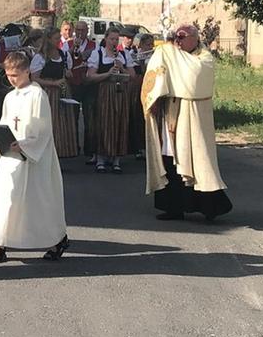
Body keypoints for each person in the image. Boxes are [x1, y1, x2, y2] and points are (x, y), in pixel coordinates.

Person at [0, 51, 69, 263]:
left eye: (16, 75)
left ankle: (58, 239)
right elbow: (5, 125)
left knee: (39, 202)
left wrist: (25, 145)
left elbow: (43, 130)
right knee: (4, 199)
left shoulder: (37, 95)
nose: (11, 79)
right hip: (10, 156)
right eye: (8, 75)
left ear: (27, 71)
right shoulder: (10, 96)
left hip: (33, 158)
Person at [142, 23, 232, 221]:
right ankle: (173, 207)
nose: (178, 42)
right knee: (171, 159)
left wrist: (171, 53)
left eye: (182, 37)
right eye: (176, 38)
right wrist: (156, 98)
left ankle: (211, 208)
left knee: (198, 161)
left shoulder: (204, 58)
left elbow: (192, 79)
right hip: (171, 113)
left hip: (192, 116)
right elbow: (161, 74)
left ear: (194, 38)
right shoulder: (174, 56)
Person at [86, 28, 133, 174]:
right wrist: (107, 73)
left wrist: (122, 68)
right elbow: (90, 76)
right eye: (112, 39)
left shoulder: (123, 54)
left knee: (120, 123)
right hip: (104, 92)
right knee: (104, 123)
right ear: (106, 39)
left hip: (120, 93)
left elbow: (132, 76)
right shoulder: (97, 53)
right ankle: (101, 159)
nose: (114, 42)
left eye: (116, 39)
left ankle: (116, 159)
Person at [32, 26, 79, 158]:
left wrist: (68, 74)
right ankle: (46, 155)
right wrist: (53, 83)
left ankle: (60, 153)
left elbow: (67, 72)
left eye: (59, 38)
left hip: (63, 92)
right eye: (56, 38)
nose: (59, 41)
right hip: (47, 93)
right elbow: (34, 78)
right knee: (49, 124)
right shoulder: (40, 57)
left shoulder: (63, 54)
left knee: (62, 124)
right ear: (48, 39)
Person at [67, 20, 98, 159]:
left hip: (88, 85)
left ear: (87, 31)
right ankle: (73, 147)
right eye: (77, 30)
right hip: (73, 84)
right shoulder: (68, 44)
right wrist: (72, 48)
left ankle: (89, 149)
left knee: (89, 118)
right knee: (72, 118)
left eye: (82, 30)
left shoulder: (94, 45)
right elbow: (64, 61)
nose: (80, 33)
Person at [128, 32, 156, 159]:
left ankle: (149, 146)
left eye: (152, 44)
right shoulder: (133, 55)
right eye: (148, 44)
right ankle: (138, 147)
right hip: (138, 87)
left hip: (150, 87)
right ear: (142, 45)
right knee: (137, 116)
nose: (150, 47)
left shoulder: (154, 56)